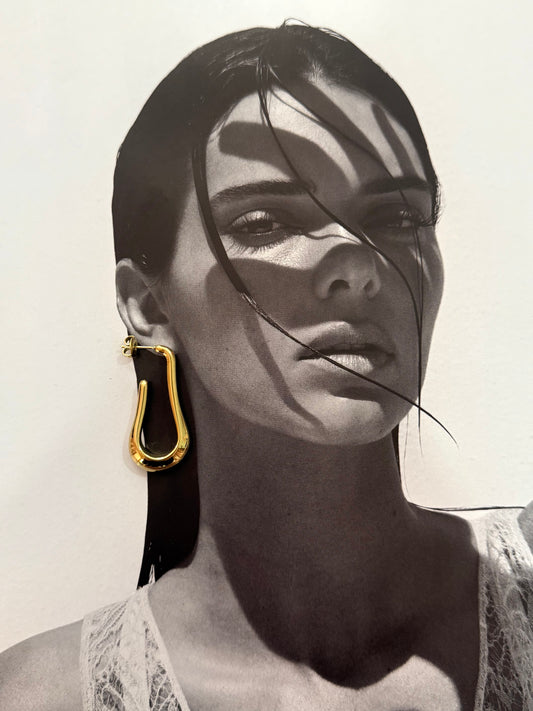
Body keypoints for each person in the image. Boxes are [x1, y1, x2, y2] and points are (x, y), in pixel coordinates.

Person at [1, 22, 532, 710]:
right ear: (149, 305)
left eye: (398, 217)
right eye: (263, 222)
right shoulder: (43, 695)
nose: (357, 266)